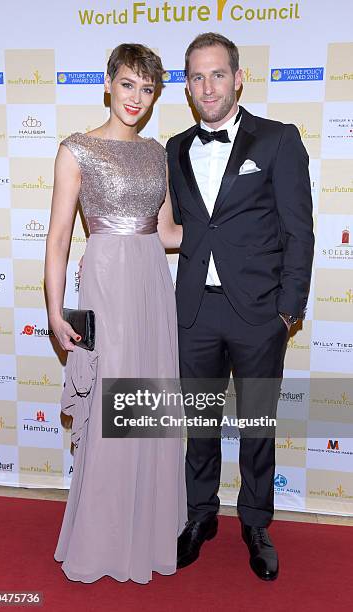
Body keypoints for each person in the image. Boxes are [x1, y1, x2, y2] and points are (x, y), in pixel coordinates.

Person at [166, 33, 314, 581]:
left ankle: (255, 523)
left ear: (239, 77)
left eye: (218, 74)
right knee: (198, 425)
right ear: (187, 85)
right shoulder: (174, 149)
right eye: (197, 77)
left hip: (259, 314)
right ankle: (199, 516)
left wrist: (287, 311)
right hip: (195, 314)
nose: (208, 86)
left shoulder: (278, 140)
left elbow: (300, 230)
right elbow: (174, 227)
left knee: (256, 425)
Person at [44, 43, 187, 584]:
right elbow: (59, 238)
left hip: (152, 280)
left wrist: (228, 230)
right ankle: (103, 540)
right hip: (106, 278)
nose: (137, 98)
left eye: (147, 89)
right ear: (108, 84)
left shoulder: (157, 153)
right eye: (128, 84)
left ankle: (144, 534)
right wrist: (56, 313)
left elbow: (169, 231)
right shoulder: (76, 149)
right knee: (113, 408)